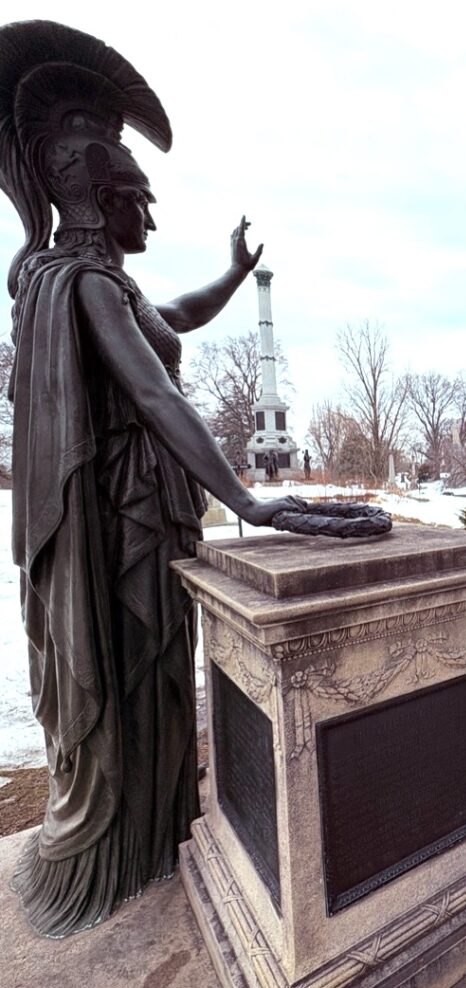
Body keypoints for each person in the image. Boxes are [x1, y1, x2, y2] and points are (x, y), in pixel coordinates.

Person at [0, 20, 305, 937]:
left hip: (150, 509)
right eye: (139, 196)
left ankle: (158, 818)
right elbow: (153, 393)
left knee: (161, 667)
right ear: (91, 194)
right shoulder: (83, 287)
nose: (151, 216)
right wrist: (247, 497)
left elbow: (178, 318)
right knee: (137, 671)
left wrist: (232, 272)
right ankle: (123, 844)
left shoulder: (114, 285)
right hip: (117, 520)